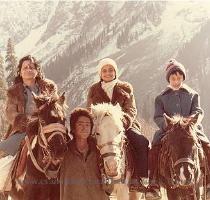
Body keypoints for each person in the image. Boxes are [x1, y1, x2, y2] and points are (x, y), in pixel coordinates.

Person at [145, 59, 210, 199]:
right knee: (155, 146)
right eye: (173, 78)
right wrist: (168, 124)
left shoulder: (193, 94)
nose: (176, 80)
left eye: (179, 77)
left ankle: (208, 182)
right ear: (169, 79)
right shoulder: (161, 98)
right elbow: (158, 116)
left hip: (190, 129)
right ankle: (154, 183)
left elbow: (198, 111)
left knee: (206, 145)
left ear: (183, 77)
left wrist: (191, 121)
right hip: (169, 129)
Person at [86, 58, 149, 192]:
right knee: (87, 146)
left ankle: (141, 178)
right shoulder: (93, 90)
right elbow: (89, 111)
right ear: (100, 73)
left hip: (124, 125)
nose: (108, 73)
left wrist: (121, 124)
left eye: (111, 70)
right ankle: (90, 180)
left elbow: (131, 110)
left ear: (115, 72)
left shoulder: (125, 88)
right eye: (104, 71)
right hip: (101, 127)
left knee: (142, 142)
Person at [0, 55, 57, 170]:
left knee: (66, 148)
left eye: (31, 67)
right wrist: (25, 122)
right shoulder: (14, 92)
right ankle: (5, 184)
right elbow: (10, 113)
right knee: (2, 150)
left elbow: (56, 106)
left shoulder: (49, 87)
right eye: (24, 68)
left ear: (37, 70)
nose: (28, 69)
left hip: (48, 127)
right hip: (24, 130)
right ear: (20, 72)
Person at [60, 108, 109, 200]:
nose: (84, 128)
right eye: (80, 124)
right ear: (73, 128)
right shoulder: (64, 151)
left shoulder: (98, 150)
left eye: (87, 125)